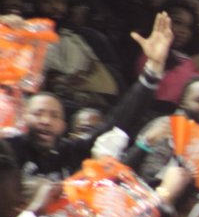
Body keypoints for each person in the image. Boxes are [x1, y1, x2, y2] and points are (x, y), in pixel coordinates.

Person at [4, 12, 172, 179]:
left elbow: (116, 123)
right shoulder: (9, 149)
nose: (46, 121)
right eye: (37, 113)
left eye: (54, 116)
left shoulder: (69, 153)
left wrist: (153, 67)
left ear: (63, 126)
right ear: (22, 117)